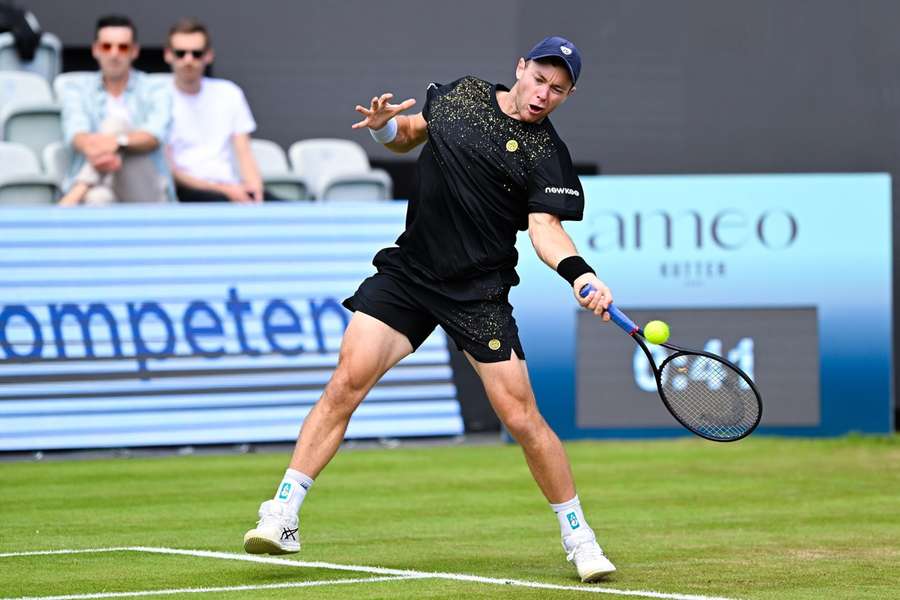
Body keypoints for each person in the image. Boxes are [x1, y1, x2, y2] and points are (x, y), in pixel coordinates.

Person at [242, 36, 618, 582]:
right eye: (539, 79)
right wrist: (383, 128)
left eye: (557, 90)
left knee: (521, 418)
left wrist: (580, 275)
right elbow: (408, 136)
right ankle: (282, 513)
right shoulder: (461, 96)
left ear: (568, 94)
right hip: (411, 275)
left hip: (478, 292)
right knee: (346, 382)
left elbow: (545, 229)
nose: (543, 95)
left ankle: (580, 538)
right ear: (521, 67)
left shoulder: (546, 155)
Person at [58, 14, 173, 206]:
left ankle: (77, 190)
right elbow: (76, 134)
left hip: (145, 189)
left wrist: (119, 142)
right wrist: (106, 149)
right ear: (95, 50)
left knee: (115, 124)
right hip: (100, 185)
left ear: (134, 51)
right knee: (97, 198)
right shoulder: (77, 88)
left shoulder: (156, 88)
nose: (114, 53)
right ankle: (85, 188)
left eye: (123, 47)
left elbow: (154, 135)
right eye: (106, 46)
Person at [163, 17, 265, 203]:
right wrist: (226, 191)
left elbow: (244, 152)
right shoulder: (158, 96)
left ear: (208, 55)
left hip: (231, 186)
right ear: (168, 55)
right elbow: (169, 169)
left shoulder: (229, 93)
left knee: (294, 211)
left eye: (196, 53)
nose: (188, 60)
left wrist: (255, 190)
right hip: (186, 191)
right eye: (181, 53)